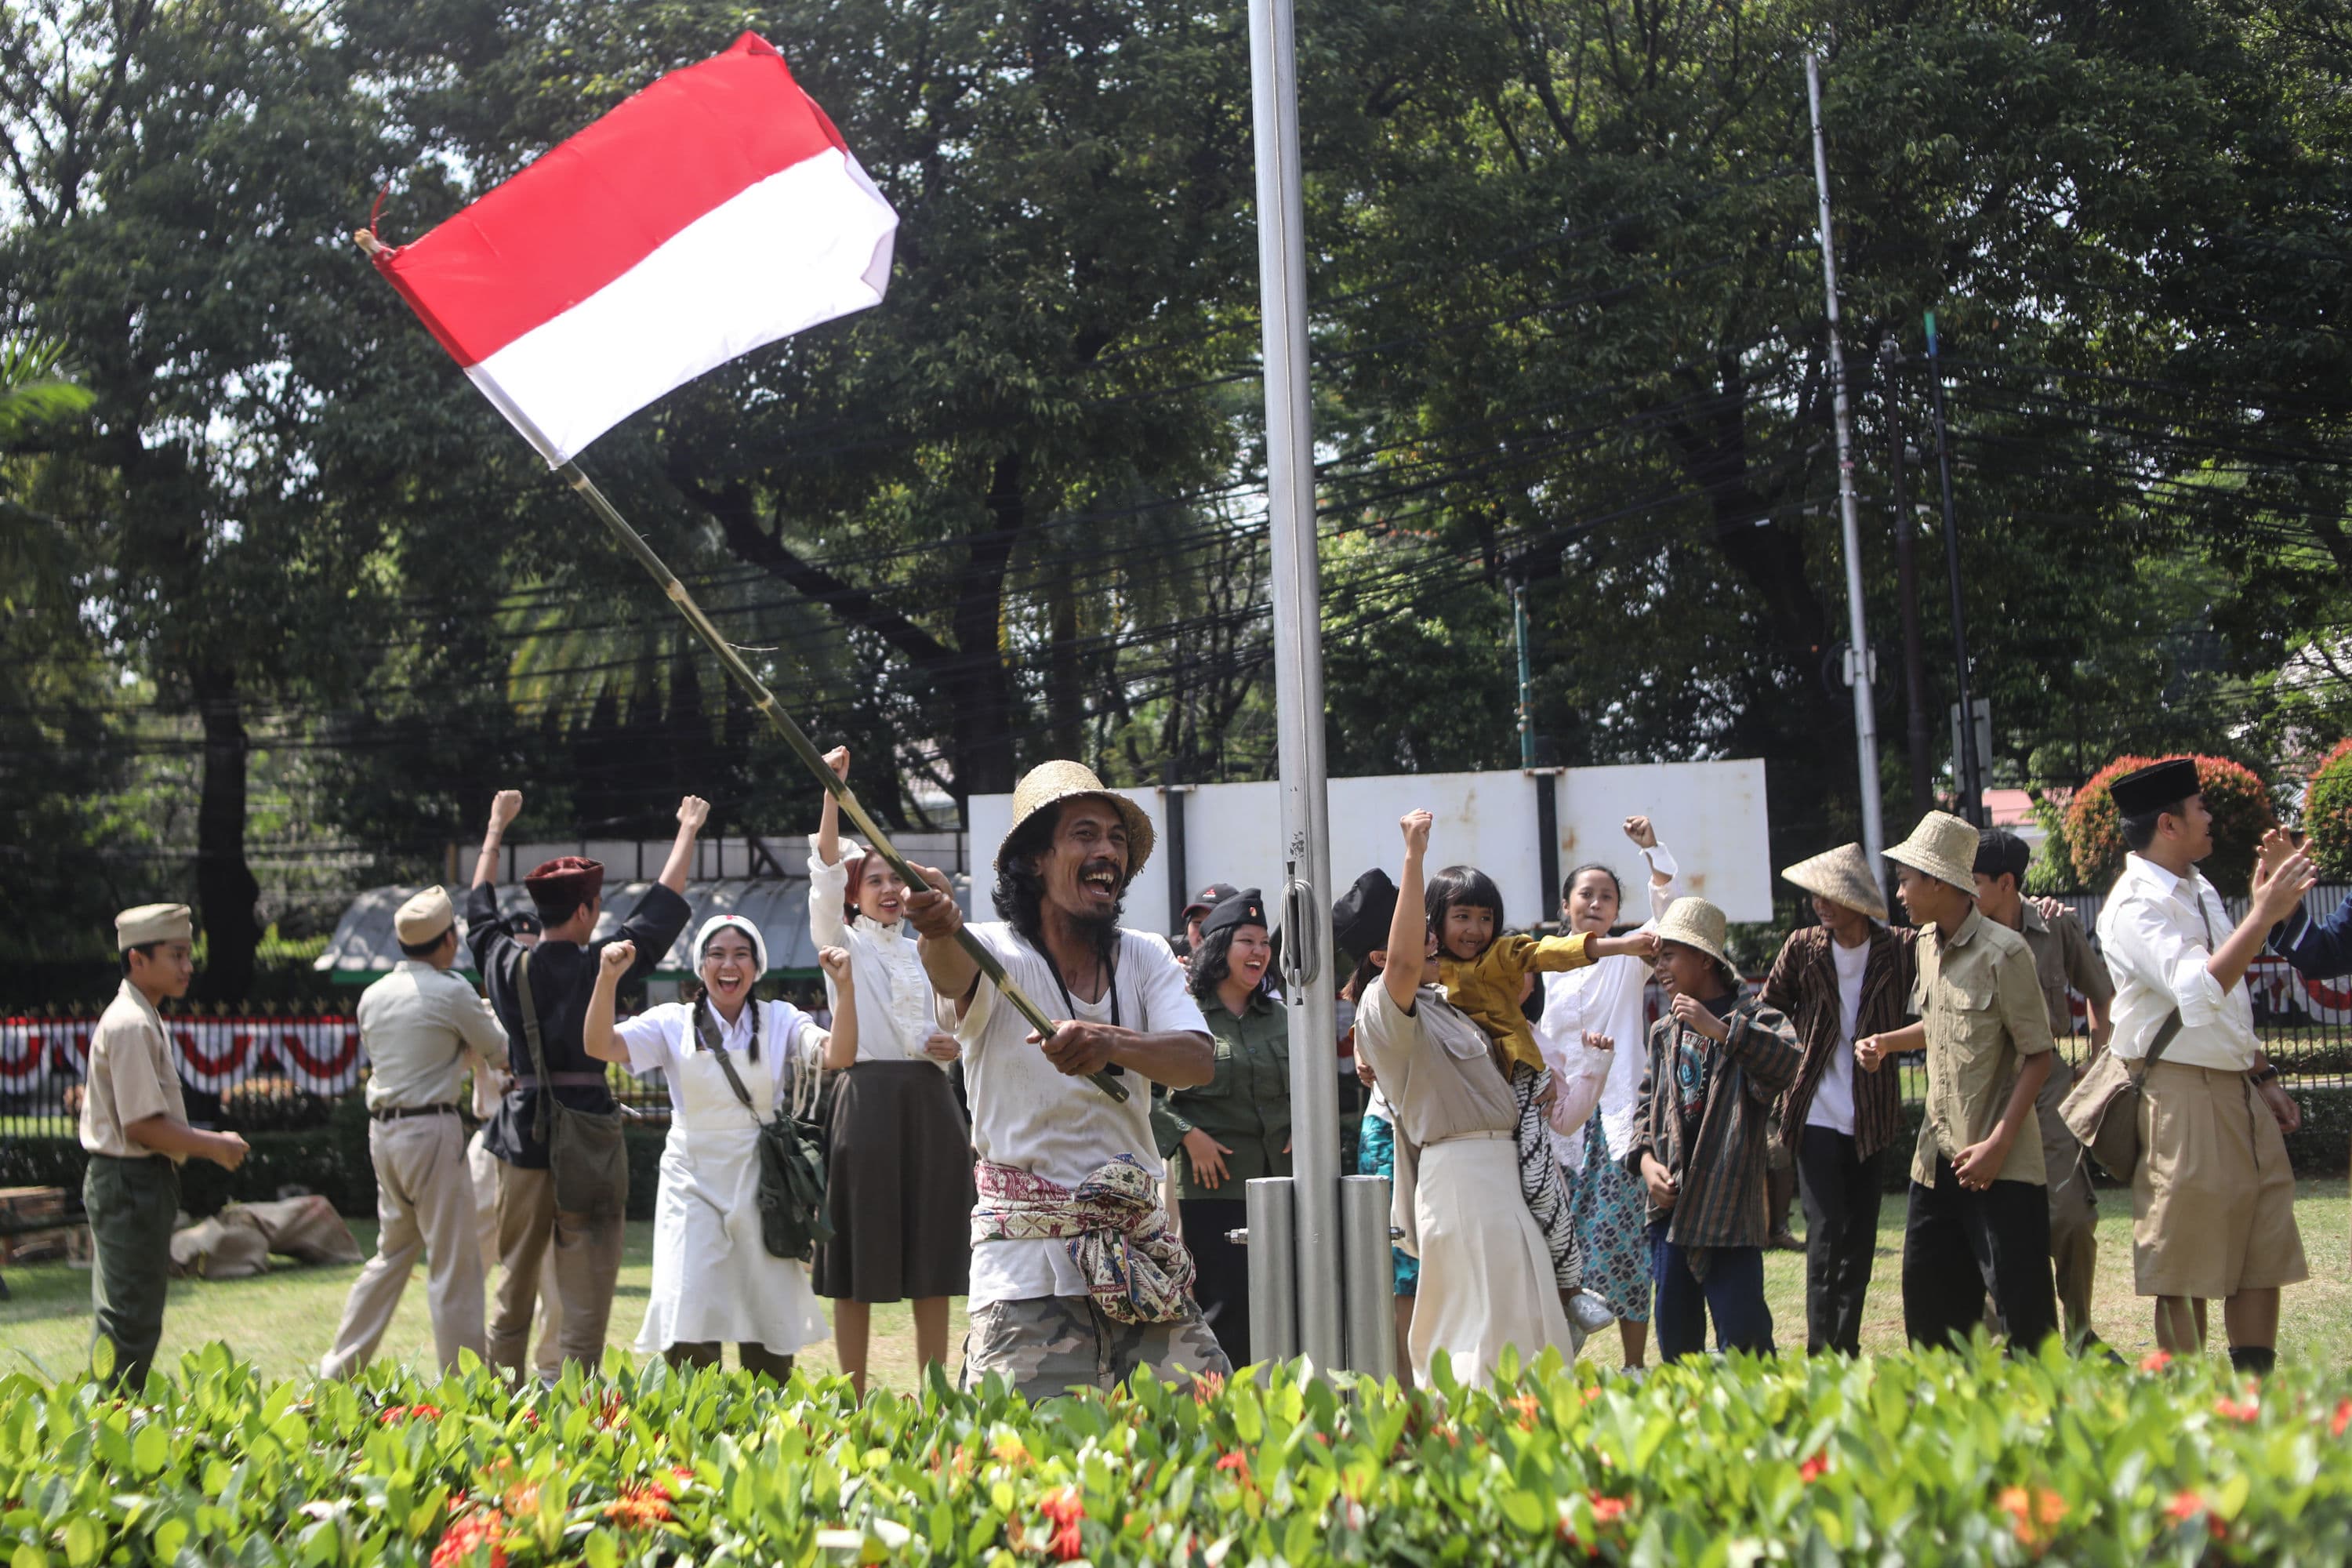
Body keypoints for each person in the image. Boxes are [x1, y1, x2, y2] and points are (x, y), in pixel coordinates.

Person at [903, 760, 1229, 1399]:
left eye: (1115, 837)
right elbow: (948, 972)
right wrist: (938, 927)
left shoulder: (1145, 955)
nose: (1106, 850)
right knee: (1011, 1472)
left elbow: (1196, 1060)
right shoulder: (990, 950)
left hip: (1141, 1268)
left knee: (1215, 1437)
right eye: (1084, 834)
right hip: (1025, 1278)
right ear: (1033, 860)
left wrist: (1111, 1043)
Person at [467, 789, 706, 1376]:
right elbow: (660, 907)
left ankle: (501, 1399)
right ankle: (575, 1400)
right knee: (590, 1280)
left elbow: (478, 908)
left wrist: (496, 827)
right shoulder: (607, 961)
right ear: (583, 912)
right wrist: (687, 831)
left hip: (521, 1134)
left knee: (514, 1280)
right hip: (590, 1137)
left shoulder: (502, 960)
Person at [2094, 758, 2312, 1374]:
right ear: (2167, 823)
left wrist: (2262, 1075)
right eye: (2199, 809)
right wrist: (2264, 912)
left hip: (2236, 1089)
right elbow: (2197, 991)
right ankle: (2188, 1404)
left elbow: (2228, 1004)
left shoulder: (2198, 885)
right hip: (2179, 1095)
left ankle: (2252, 1396)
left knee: (2259, 1247)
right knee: (2184, 1258)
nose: (2210, 817)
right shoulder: (2134, 906)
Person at [1352, 811, 1583, 1384]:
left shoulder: (1450, 1006)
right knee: (1473, 1337)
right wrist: (1414, 856)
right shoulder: (1385, 1010)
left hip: (1503, 1180)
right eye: (1423, 931)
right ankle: (1459, 1452)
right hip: (1459, 1178)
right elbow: (1405, 959)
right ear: (1380, 957)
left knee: (1525, 1329)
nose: (1435, 941)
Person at [585, 917, 841, 1381]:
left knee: (764, 1307)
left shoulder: (781, 1018)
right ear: (701, 966)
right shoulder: (671, 1022)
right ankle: (695, 1424)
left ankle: (766, 1421)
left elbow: (838, 1054)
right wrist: (607, 979)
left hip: (762, 1179)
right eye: (717, 954)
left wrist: (847, 988)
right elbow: (600, 1044)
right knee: (690, 1300)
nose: (729, 965)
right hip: (691, 1179)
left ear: (757, 965)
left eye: (740, 954)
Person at [1856, 811, 2058, 1353]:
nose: (1899, 891)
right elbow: (1941, 1023)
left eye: (1906, 879)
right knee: (1931, 1312)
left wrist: (1999, 1142)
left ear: (1941, 883)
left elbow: (2039, 1055)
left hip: (2001, 1167)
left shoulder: (2005, 952)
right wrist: (1887, 1043)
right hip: (1935, 1161)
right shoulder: (1925, 943)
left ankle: (2044, 1428)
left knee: (2025, 1320)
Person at [808, 746, 971, 1398]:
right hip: (868, 1101)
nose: (889, 891)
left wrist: (950, 1044)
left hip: (933, 1102)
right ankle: (853, 1396)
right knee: (859, 1256)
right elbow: (823, 870)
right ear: (854, 896)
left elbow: (958, 1020)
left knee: (933, 1255)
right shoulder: (840, 942)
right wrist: (830, 792)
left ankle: (936, 1393)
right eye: (874, 880)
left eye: (896, 881)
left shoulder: (929, 949)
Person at [1426, 861, 1649, 1331]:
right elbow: (1380, 975)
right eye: (1462, 916)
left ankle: (1569, 1293)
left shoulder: (1508, 960)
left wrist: (1625, 945)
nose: (1475, 929)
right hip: (1448, 1120)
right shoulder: (1426, 976)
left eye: (1484, 918)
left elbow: (1557, 951)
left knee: (1543, 1193)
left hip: (1518, 1097)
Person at [320, 887, 512, 1377]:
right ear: (447, 940)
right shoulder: (452, 991)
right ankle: (466, 1385)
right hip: (431, 1131)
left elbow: (420, 1053)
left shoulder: (373, 996)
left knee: (391, 1255)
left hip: (384, 1136)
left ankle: (338, 1370)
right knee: (455, 1265)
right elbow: (501, 1052)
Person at [80, 904, 250, 1387]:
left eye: (188, 955)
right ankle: (102, 1431)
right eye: (176, 955)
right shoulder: (132, 1023)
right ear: (138, 959)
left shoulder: (140, 1014)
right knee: (129, 1323)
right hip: (130, 1178)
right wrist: (214, 1145)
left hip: (133, 1180)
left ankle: (101, 1424)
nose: (187, 966)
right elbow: (143, 1126)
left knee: (128, 1317)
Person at [1627, 897, 1801, 1361]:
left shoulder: (1759, 1017)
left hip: (1729, 1210)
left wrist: (1722, 1030)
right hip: (1671, 1208)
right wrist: (1646, 1165)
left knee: (1745, 1342)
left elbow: (1787, 1064)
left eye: (1669, 956)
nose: (1660, 968)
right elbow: (1645, 1108)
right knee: (1677, 1342)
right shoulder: (1663, 1030)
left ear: (1705, 959)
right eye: (1656, 958)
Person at [1535, 815, 1679, 1367]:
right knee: (1553, 1250)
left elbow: (1667, 923)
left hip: (1616, 1122)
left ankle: (1635, 1365)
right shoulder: (1542, 961)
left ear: (1618, 911)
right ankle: (1556, 1360)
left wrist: (1652, 851)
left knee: (1623, 1246)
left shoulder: (1626, 963)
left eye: (1607, 897)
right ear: (1565, 905)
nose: (1595, 903)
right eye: (1586, 894)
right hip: (1554, 1124)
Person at [1762, 844, 1914, 1356]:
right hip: (1816, 1111)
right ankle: (1821, 1353)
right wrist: (1791, 1059)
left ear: (1859, 899)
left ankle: (1846, 1347)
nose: (1820, 904)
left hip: (1873, 1114)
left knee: (1860, 1241)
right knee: (1824, 1236)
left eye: (1831, 894)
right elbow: (1769, 1011)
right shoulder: (1803, 946)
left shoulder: (1901, 947)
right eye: (1815, 895)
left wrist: (2036, 910)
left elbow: (1957, 944)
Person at [1972, 828, 2114, 1348]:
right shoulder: (1959, 934)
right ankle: (2004, 1341)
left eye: (1975, 878)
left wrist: (2098, 1073)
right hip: (1986, 1091)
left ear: (2006, 883)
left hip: (2051, 1090)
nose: (1965, 888)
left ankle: (2079, 1331)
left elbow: (2104, 999)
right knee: (1994, 1227)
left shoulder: (2056, 926)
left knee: (2072, 1217)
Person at [1152, 887, 1289, 1367]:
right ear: (1220, 948)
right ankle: (1224, 1412)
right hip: (1214, 1189)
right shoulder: (1183, 1016)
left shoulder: (1284, 1019)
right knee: (1223, 1305)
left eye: (1264, 943)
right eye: (1246, 941)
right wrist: (1188, 1135)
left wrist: (1303, 1127)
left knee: (1284, 1302)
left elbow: (1311, 1087)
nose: (1259, 952)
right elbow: (1143, 1094)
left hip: (1280, 1183)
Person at [1338, 869, 1419, 1383]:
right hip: (1395, 1139)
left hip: (1412, 1138)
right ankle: (1409, 1396)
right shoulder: (1382, 1001)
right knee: (1405, 1274)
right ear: (1381, 957)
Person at [1177, 884, 1240, 959]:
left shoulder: (1248, 969)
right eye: (1198, 923)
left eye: (1214, 923)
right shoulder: (1176, 968)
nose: (1203, 931)